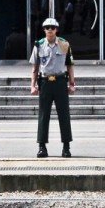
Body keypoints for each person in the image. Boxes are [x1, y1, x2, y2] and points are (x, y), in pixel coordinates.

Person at [30, 17, 76, 158]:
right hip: (45, 82)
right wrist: (32, 85)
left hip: (60, 81)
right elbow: (35, 67)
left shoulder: (64, 44)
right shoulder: (39, 45)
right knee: (44, 115)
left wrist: (72, 83)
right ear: (44, 30)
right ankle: (42, 146)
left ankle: (66, 147)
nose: (50, 30)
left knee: (64, 114)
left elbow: (69, 65)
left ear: (56, 29)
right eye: (47, 28)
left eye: (52, 27)